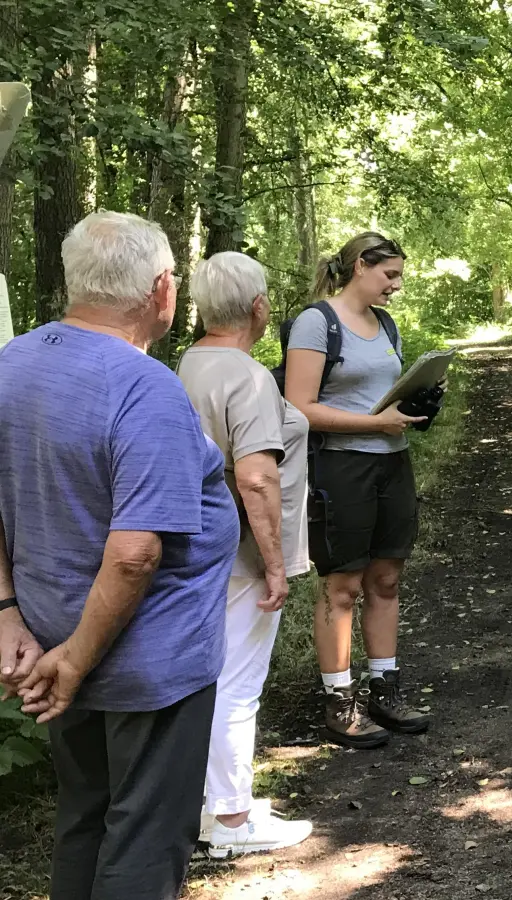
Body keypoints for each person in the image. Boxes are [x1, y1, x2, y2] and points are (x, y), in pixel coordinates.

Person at [0, 211, 237, 899]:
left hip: (51, 644)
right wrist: (74, 660)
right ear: (162, 289)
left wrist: (9, 613)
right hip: (145, 661)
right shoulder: (144, 386)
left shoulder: (11, 363)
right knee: (145, 838)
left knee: (86, 817)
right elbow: (135, 554)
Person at [178, 251, 316, 856]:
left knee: (212, 676)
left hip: (195, 546)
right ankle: (232, 821)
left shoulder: (188, 362)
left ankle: (215, 802)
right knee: (237, 681)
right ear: (259, 307)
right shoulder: (249, 375)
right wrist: (276, 564)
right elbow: (256, 478)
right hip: (242, 554)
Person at [284, 232, 430, 749]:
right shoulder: (316, 322)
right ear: (361, 266)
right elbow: (298, 407)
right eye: (390, 274)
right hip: (340, 467)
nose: (397, 285)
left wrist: (419, 402)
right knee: (342, 584)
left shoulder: (385, 323)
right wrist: (374, 425)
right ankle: (340, 701)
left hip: (392, 464)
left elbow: (383, 395)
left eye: (399, 276)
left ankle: (384, 690)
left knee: (386, 579)